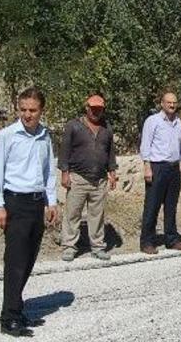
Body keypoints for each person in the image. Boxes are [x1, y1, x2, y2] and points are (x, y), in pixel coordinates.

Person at [0, 87, 59, 338]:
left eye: (33, 110)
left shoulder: (44, 136)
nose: (27, 115)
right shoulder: (5, 136)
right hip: (14, 203)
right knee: (15, 263)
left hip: (37, 203)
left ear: (41, 110)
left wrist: (52, 202)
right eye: (23, 109)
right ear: (18, 109)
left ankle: (16, 309)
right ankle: (9, 319)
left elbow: (49, 170)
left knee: (28, 260)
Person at [58, 92, 118, 262]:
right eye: (93, 108)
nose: (96, 112)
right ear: (86, 108)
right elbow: (64, 151)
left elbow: (110, 152)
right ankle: (69, 246)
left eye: (99, 109)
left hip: (99, 179)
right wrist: (64, 172)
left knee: (97, 215)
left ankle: (98, 246)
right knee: (73, 213)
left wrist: (112, 172)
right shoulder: (73, 126)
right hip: (78, 177)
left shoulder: (107, 128)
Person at [139, 91, 181, 254]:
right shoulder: (152, 121)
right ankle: (147, 241)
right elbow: (145, 145)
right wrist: (147, 166)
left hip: (173, 168)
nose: (172, 105)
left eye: (174, 103)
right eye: (169, 102)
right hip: (157, 167)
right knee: (152, 206)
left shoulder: (178, 122)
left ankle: (171, 239)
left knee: (171, 206)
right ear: (162, 103)